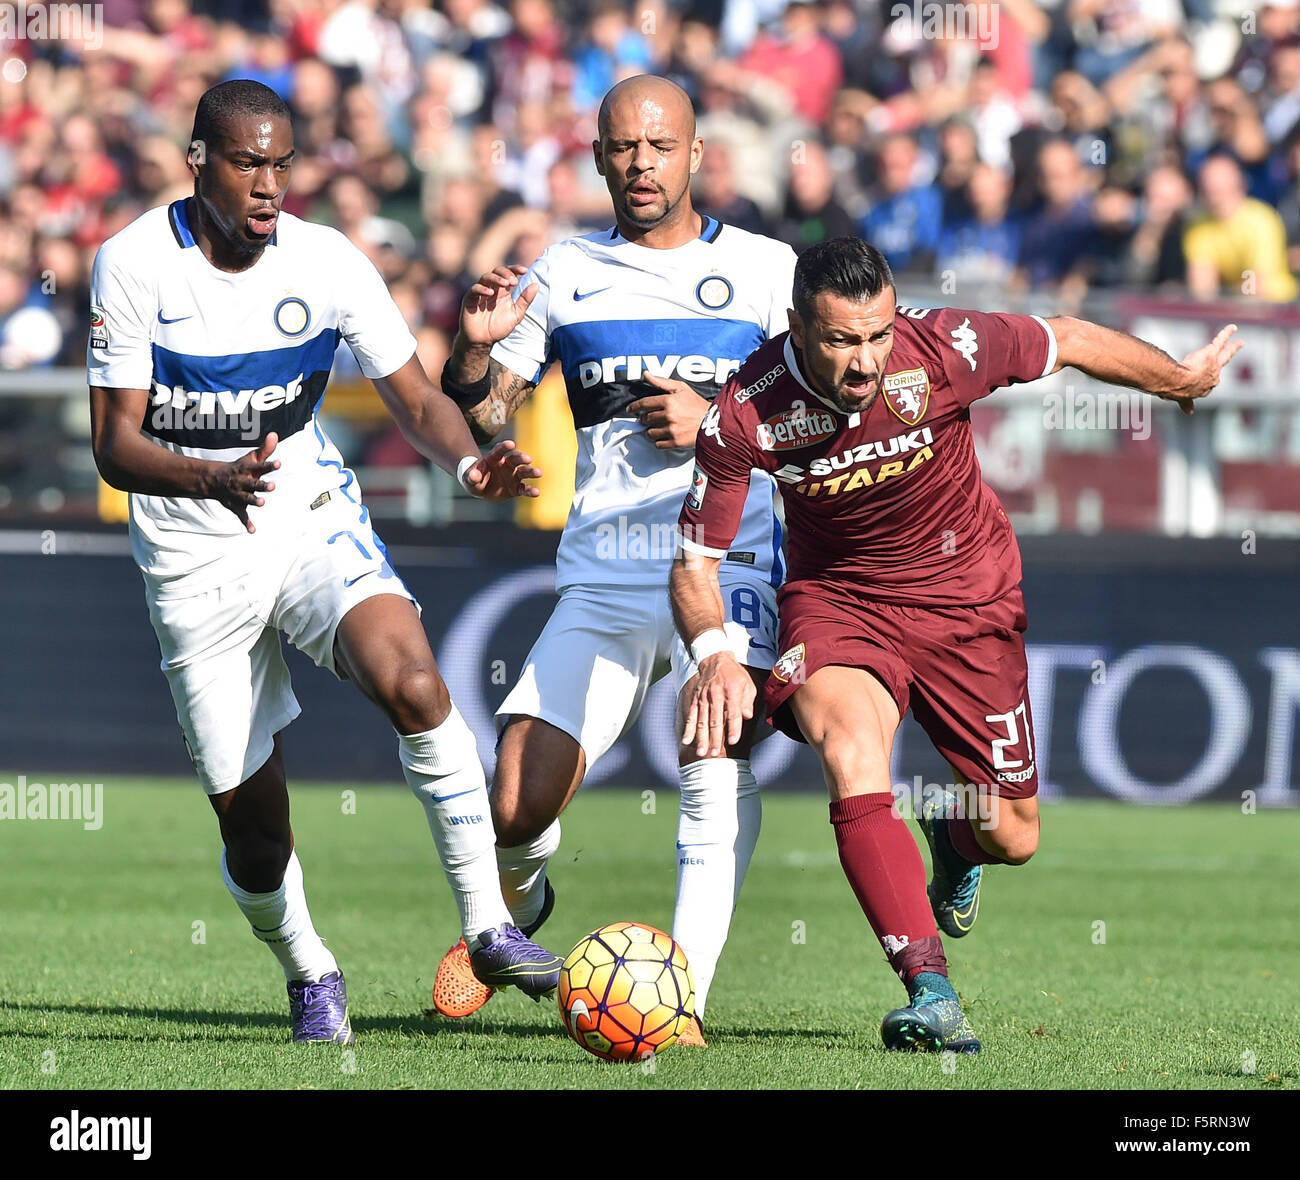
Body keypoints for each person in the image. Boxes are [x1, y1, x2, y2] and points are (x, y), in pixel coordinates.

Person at [671, 237, 1241, 1052]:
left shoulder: (944, 349)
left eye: (875, 335)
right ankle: (930, 989)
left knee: (1013, 834)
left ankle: (949, 835)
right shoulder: (746, 412)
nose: (864, 362)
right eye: (839, 340)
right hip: (842, 604)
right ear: (797, 325)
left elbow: (1069, 337)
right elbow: (694, 564)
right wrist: (714, 653)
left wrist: (1179, 381)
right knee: (851, 750)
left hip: (970, 604)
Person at [87, 79, 563, 1045]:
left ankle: (488, 926)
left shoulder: (327, 259)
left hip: (303, 509)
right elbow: (112, 445)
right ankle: (310, 969)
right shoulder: (132, 262)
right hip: (192, 553)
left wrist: (470, 457)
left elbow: (415, 396)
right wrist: (211, 479)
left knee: (417, 680)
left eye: (281, 164)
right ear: (198, 162)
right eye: (246, 163)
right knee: (254, 833)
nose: (267, 184)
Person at [433, 75, 797, 1045]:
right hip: (602, 571)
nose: (641, 163)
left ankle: (680, 1000)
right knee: (512, 799)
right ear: (598, 157)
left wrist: (719, 421)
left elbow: (824, 416)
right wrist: (471, 362)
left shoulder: (766, 272)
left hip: (724, 561)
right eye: (622, 147)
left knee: (710, 750)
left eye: (658, 145)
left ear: (695, 155)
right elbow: (487, 408)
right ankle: (525, 901)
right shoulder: (563, 271)